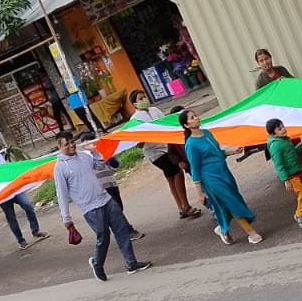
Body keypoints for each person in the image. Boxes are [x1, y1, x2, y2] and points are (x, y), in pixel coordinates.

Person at [53, 130, 153, 281]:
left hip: (106, 199)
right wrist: (66, 218)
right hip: (90, 208)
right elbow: (62, 194)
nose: (71, 145)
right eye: (66, 144)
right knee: (103, 237)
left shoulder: (84, 156)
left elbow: (100, 166)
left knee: (121, 231)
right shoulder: (60, 168)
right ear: (60, 146)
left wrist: (94, 152)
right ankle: (97, 263)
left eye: (72, 142)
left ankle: (131, 263)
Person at [179, 109, 263, 244]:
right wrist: (199, 193)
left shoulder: (206, 133)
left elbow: (216, 152)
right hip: (211, 179)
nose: (196, 118)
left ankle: (223, 229)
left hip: (224, 173)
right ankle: (251, 232)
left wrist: (231, 152)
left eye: (195, 115)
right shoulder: (191, 144)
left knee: (227, 203)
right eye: (191, 118)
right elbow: (194, 168)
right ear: (186, 125)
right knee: (232, 201)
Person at [130, 91, 205, 220]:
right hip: (154, 152)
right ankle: (186, 206)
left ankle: (181, 208)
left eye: (144, 96)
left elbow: (167, 124)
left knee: (170, 177)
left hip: (165, 147)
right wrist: (147, 133)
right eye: (140, 98)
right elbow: (138, 144)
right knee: (177, 172)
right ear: (135, 104)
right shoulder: (135, 119)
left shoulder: (155, 110)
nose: (144, 99)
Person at [0, 141, 49, 248]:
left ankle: (35, 231)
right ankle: (21, 240)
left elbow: (6, 170)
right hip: (1, 194)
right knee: (11, 217)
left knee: (28, 205)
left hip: (13, 189)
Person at [76, 132, 144, 240]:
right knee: (116, 209)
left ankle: (121, 229)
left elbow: (116, 164)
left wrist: (107, 156)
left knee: (119, 208)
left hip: (112, 184)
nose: (87, 146)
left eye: (89, 143)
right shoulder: (85, 158)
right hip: (102, 188)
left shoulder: (102, 152)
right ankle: (129, 231)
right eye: (84, 145)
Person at [266, 119, 302, 230]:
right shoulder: (275, 146)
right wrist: (286, 180)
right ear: (273, 134)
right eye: (279, 128)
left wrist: (301, 144)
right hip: (292, 176)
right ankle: (300, 215)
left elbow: (293, 153)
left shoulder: (285, 140)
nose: (283, 129)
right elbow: (279, 164)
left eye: (283, 126)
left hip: (298, 172)